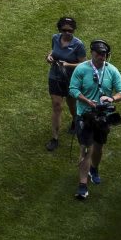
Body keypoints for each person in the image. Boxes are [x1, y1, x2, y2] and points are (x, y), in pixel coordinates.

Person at [68, 40, 121, 201]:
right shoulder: (81, 69)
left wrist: (112, 98)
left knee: (98, 148)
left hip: (102, 117)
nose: (101, 57)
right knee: (86, 149)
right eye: (98, 53)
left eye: (104, 54)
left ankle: (94, 168)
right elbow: (73, 89)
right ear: (91, 53)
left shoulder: (112, 71)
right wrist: (86, 101)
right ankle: (82, 185)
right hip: (84, 115)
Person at [45, 16, 85, 151]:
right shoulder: (55, 38)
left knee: (71, 104)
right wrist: (49, 57)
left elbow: (83, 64)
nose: (68, 33)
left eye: (71, 31)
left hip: (71, 79)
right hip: (55, 76)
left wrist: (67, 64)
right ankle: (54, 138)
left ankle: (75, 120)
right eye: (65, 30)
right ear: (60, 29)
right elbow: (53, 52)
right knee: (57, 106)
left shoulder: (79, 45)